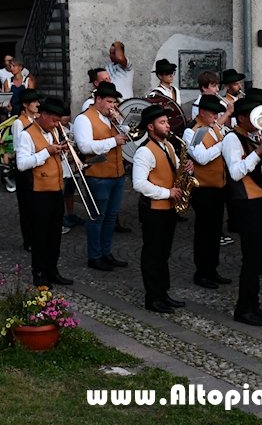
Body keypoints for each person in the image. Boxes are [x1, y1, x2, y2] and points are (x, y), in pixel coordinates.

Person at [133, 104, 191, 313]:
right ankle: (153, 298)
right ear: (150, 126)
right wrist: (168, 193)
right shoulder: (144, 152)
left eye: (167, 122)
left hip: (167, 208)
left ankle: (163, 293)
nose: (168, 126)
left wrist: (184, 168)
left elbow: (172, 168)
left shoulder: (167, 146)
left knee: (163, 254)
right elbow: (139, 184)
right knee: (152, 255)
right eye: (163, 123)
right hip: (153, 209)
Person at [222, 98, 262, 326]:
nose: (258, 121)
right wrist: (258, 152)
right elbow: (235, 172)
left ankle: (253, 305)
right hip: (246, 203)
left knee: (257, 259)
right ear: (242, 118)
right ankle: (244, 308)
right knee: (250, 259)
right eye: (253, 117)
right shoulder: (232, 139)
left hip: (260, 201)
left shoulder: (252, 137)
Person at [73, 81, 131, 271]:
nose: (112, 106)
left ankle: (106, 253)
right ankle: (94, 256)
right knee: (97, 217)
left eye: (114, 102)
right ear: (97, 100)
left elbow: (128, 134)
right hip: (97, 175)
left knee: (111, 217)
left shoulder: (111, 117)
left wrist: (122, 124)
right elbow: (85, 146)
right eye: (109, 102)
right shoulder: (84, 119)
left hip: (117, 173)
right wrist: (113, 141)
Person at [16, 97, 72, 288]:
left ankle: (52, 270)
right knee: (40, 235)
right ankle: (39, 274)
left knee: (55, 234)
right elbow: (22, 164)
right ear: (44, 115)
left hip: (56, 188)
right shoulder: (26, 135)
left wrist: (65, 153)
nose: (57, 125)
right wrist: (47, 152)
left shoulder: (53, 132)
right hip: (38, 191)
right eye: (54, 121)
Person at [184, 94, 232, 289]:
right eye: (213, 114)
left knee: (214, 233)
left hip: (218, 187)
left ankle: (212, 270)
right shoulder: (192, 131)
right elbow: (201, 157)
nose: (216, 117)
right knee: (204, 233)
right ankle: (202, 272)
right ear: (202, 112)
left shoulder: (213, 128)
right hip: (203, 189)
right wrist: (223, 144)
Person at [11, 89, 41, 252]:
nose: (37, 104)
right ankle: (28, 239)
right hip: (25, 167)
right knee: (26, 204)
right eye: (34, 102)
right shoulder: (18, 123)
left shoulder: (37, 119)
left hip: (38, 164)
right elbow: (18, 147)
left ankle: (37, 235)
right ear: (25, 105)